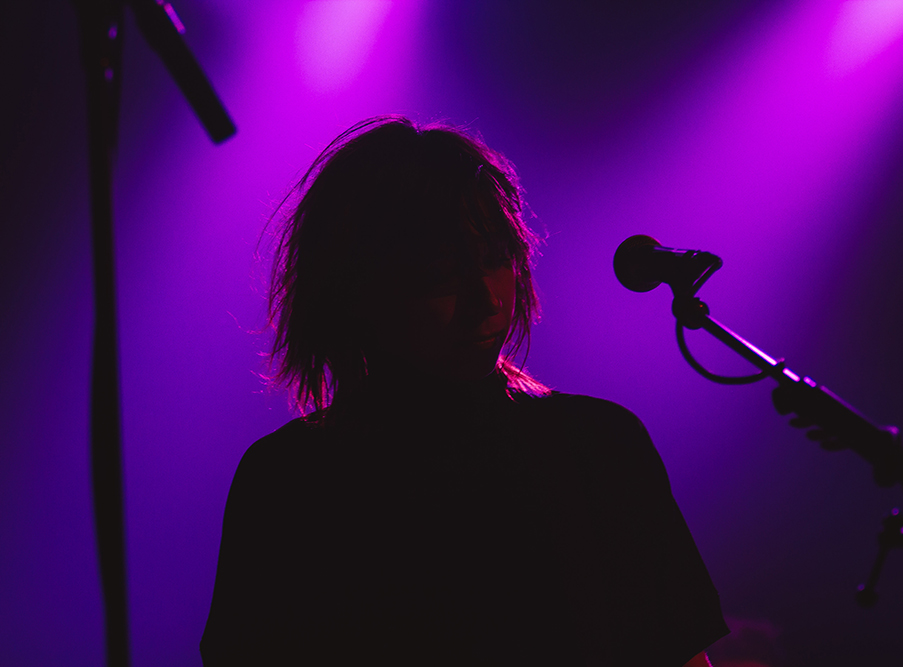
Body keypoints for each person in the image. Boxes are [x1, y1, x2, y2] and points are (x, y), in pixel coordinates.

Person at [200, 116, 729, 665]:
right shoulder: (291, 479)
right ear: (358, 289)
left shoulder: (598, 445)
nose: (486, 299)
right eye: (439, 273)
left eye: (496, 259)